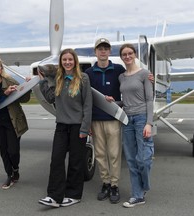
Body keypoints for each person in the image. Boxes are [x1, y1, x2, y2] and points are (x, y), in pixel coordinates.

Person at [38, 48, 92, 208]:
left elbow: (88, 105)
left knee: (76, 162)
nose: (67, 62)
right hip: (61, 126)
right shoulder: (58, 78)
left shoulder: (83, 78)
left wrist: (85, 128)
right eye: (64, 60)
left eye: (70, 59)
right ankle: (54, 196)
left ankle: (74, 195)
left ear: (75, 61)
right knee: (56, 160)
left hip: (77, 127)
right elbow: (50, 98)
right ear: (61, 62)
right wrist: (42, 82)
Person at [84, 38, 125, 204]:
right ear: (95, 52)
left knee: (114, 154)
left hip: (113, 119)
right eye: (100, 49)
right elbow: (85, 99)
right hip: (95, 120)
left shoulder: (118, 69)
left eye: (106, 48)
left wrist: (147, 78)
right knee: (100, 154)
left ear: (109, 51)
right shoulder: (88, 73)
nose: (103, 51)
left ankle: (115, 185)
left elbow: (130, 83)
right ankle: (105, 183)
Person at [0, 57, 31, 189]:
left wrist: (27, 86)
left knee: (13, 151)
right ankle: (9, 175)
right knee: (3, 151)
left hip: (13, 121)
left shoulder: (10, 80)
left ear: (2, 67)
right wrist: (4, 93)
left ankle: (15, 169)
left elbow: (24, 98)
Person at [118, 43, 154, 208]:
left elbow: (149, 100)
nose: (127, 56)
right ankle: (138, 195)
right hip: (127, 119)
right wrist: (114, 102)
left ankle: (144, 186)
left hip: (141, 119)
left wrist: (149, 123)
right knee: (132, 160)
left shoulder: (145, 74)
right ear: (121, 57)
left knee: (144, 159)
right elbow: (125, 99)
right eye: (124, 54)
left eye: (130, 53)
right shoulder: (122, 77)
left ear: (134, 55)